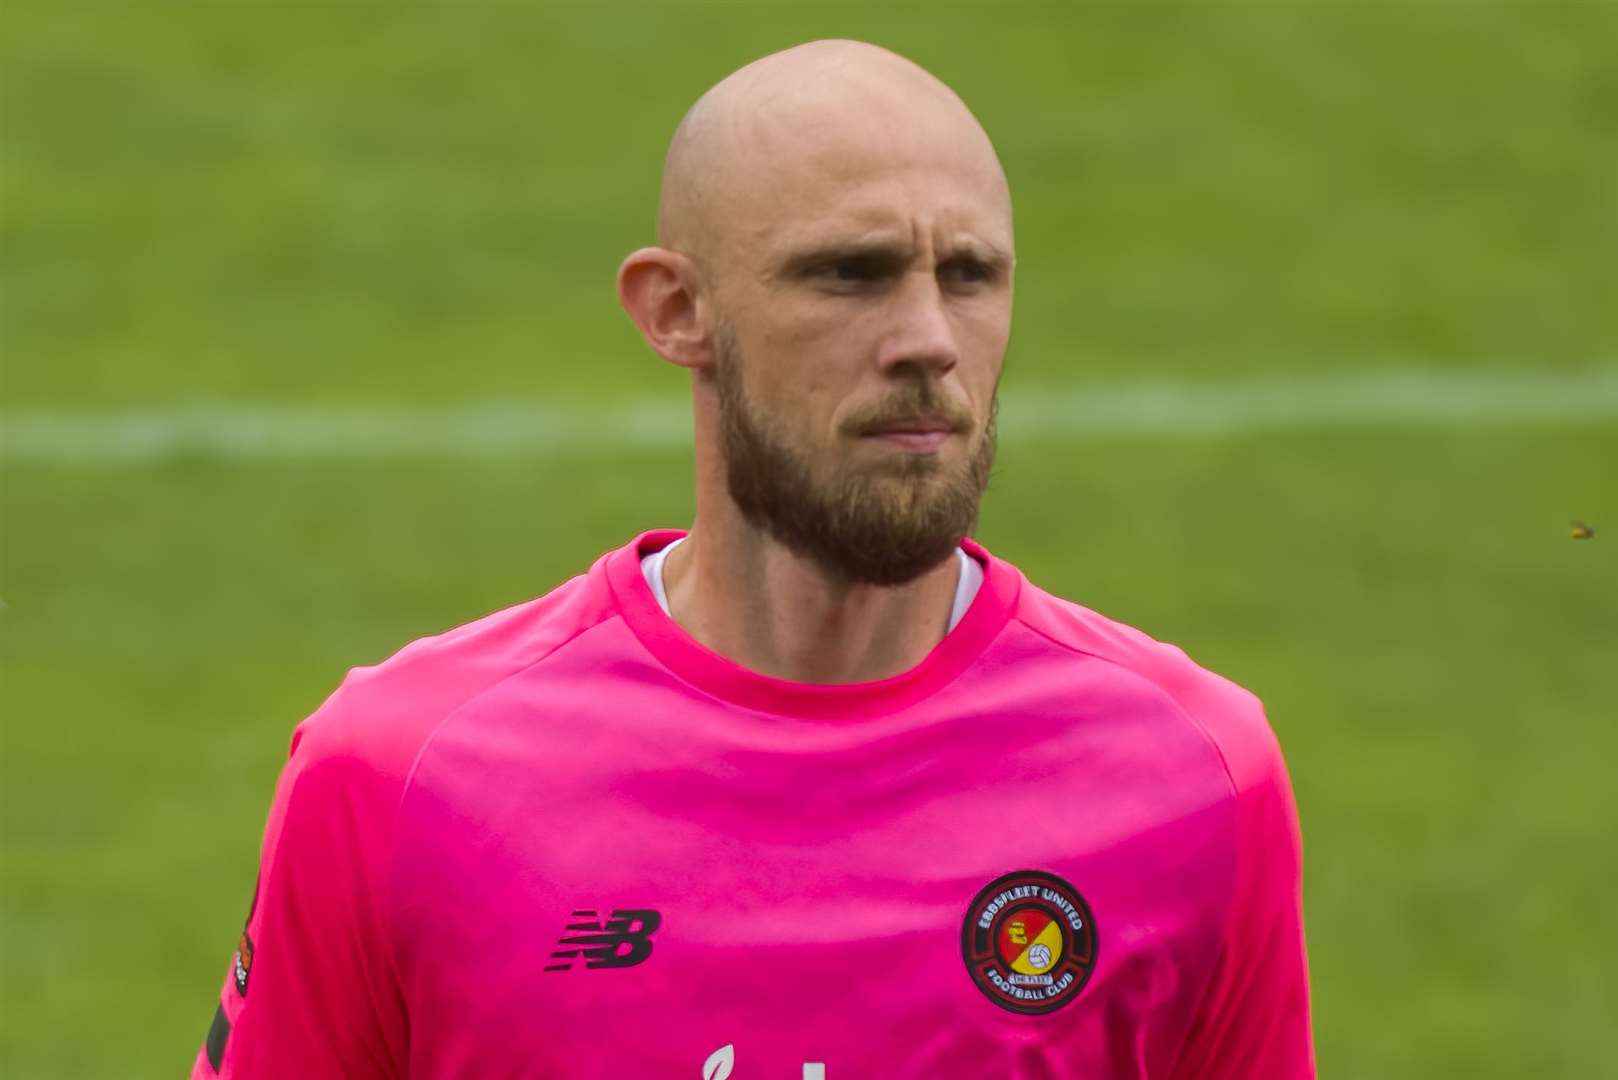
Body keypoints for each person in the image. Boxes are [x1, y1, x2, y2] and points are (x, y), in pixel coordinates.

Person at [192, 39, 1314, 1079]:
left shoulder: (1192, 777)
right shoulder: (402, 777)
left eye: (969, 275)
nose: (929, 338)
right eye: (851, 274)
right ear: (677, 311)